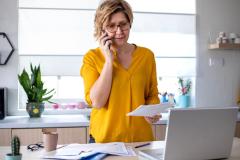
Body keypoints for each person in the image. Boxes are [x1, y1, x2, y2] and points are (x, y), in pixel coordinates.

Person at [80, 0, 160, 143]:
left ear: (130, 23)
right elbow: (97, 102)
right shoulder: (92, 58)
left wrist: (152, 110)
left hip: (141, 141)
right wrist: (109, 61)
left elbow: (152, 95)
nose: (119, 31)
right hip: (105, 142)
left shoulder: (146, 56)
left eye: (123, 24)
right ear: (102, 29)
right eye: (111, 26)